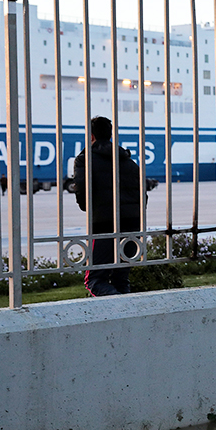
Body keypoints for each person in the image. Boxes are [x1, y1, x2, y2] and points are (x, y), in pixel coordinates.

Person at [73, 116, 145, 296]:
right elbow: (142, 193)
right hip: (133, 224)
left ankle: (119, 312)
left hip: (104, 223)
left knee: (94, 280)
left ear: (91, 136)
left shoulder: (85, 159)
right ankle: (127, 316)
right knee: (121, 278)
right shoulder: (127, 160)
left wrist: (90, 210)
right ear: (110, 134)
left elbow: (82, 191)